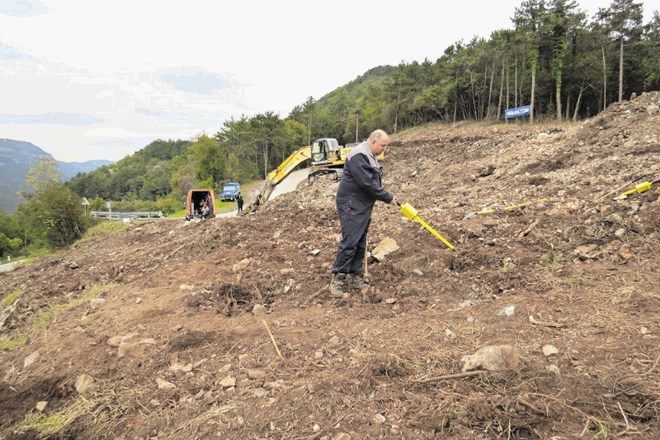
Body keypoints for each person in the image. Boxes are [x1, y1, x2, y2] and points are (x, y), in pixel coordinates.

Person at [330, 129, 397, 298]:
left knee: (360, 241)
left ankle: (355, 275)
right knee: (351, 240)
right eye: (383, 145)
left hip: (362, 204)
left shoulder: (370, 155)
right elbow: (367, 183)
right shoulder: (358, 155)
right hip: (351, 204)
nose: (384, 149)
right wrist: (388, 197)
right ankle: (338, 278)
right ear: (373, 142)